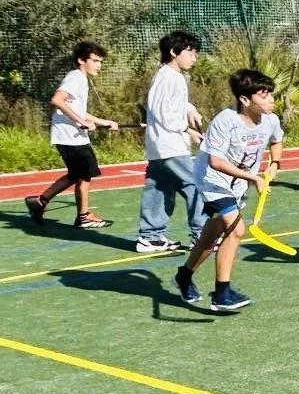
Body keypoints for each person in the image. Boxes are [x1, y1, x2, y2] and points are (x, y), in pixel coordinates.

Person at [175, 69, 283, 313]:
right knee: (236, 229)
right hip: (213, 180)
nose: (271, 100)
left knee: (212, 234)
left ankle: (184, 275)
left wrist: (274, 163)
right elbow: (216, 162)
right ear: (245, 99)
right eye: (263, 96)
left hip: (238, 182)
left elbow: (277, 141)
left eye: (270, 94)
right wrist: (254, 177)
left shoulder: (270, 120)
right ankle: (222, 294)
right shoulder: (226, 121)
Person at [26, 41, 118, 229]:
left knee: (77, 174)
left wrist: (102, 121)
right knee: (84, 174)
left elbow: (77, 109)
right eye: (95, 61)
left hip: (71, 136)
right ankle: (83, 216)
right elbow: (57, 100)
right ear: (81, 60)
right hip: (69, 136)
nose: (99, 65)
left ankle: (40, 201)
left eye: (100, 61)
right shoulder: (76, 78)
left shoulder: (80, 79)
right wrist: (81, 121)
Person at [135, 30, 206, 253]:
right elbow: (162, 112)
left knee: (159, 188)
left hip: (161, 146)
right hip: (170, 145)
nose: (194, 58)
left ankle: (150, 237)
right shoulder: (168, 77)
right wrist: (187, 129)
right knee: (196, 185)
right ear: (174, 52)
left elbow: (173, 104)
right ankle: (201, 236)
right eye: (190, 53)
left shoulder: (172, 76)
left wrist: (190, 109)